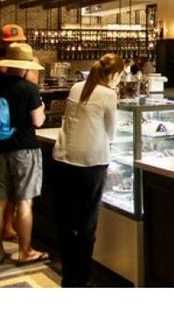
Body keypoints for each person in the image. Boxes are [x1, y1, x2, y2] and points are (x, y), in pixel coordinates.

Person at [52, 54, 124, 287]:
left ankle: (68, 275)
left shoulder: (77, 87)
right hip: (91, 162)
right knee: (86, 224)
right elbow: (111, 133)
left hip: (64, 158)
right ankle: (81, 279)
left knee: (67, 221)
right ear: (115, 74)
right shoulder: (108, 94)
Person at [0, 42, 47, 266]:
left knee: (1, 201)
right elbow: (38, 121)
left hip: (1, 148)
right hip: (24, 149)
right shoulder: (28, 88)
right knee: (24, 202)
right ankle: (25, 251)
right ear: (25, 66)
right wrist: (42, 109)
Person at [1, 24, 27, 246]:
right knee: (13, 194)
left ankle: (7, 228)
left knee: (7, 192)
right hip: (14, 137)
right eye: (10, 42)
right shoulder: (9, 68)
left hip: (8, 133)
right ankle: (9, 230)